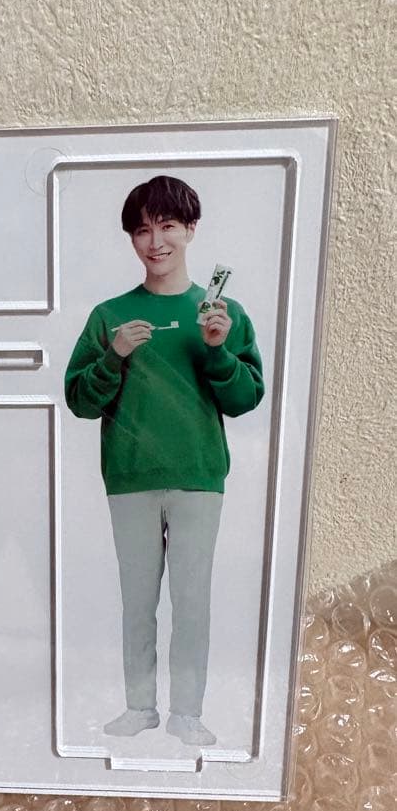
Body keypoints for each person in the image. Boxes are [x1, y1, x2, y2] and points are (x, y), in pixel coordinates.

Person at [64, 175, 264, 746]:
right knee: (138, 602)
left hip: (199, 476)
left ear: (190, 229)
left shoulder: (223, 313)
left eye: (168, 226)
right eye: (142, 230)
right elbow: (79, 401)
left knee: (192, 602)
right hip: (129, 478)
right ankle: (139, 707)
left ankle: (188, 713)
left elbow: (245, 398)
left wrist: (217, 351)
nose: (155, 242)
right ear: (131, 238)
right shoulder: (110, 315)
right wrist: (114, 355)